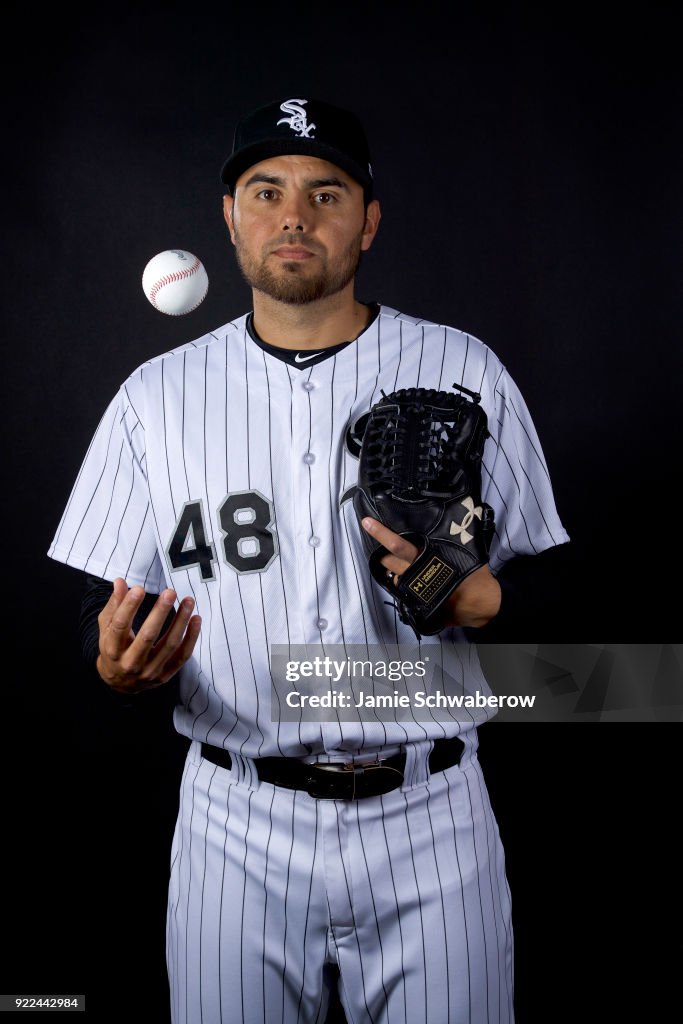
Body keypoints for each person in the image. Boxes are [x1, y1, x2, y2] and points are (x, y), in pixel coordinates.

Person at [48, 95, 570, 1023]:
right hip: (234, 827)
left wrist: (485, 604)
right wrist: (110, 658)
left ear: (367, 222)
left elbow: (570, 606)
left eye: (327, 192)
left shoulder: (464, 368)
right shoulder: (153, 398)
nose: (295, 214)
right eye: (266, 189)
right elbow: (97, 607)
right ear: (230, 217)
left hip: (432, 817)